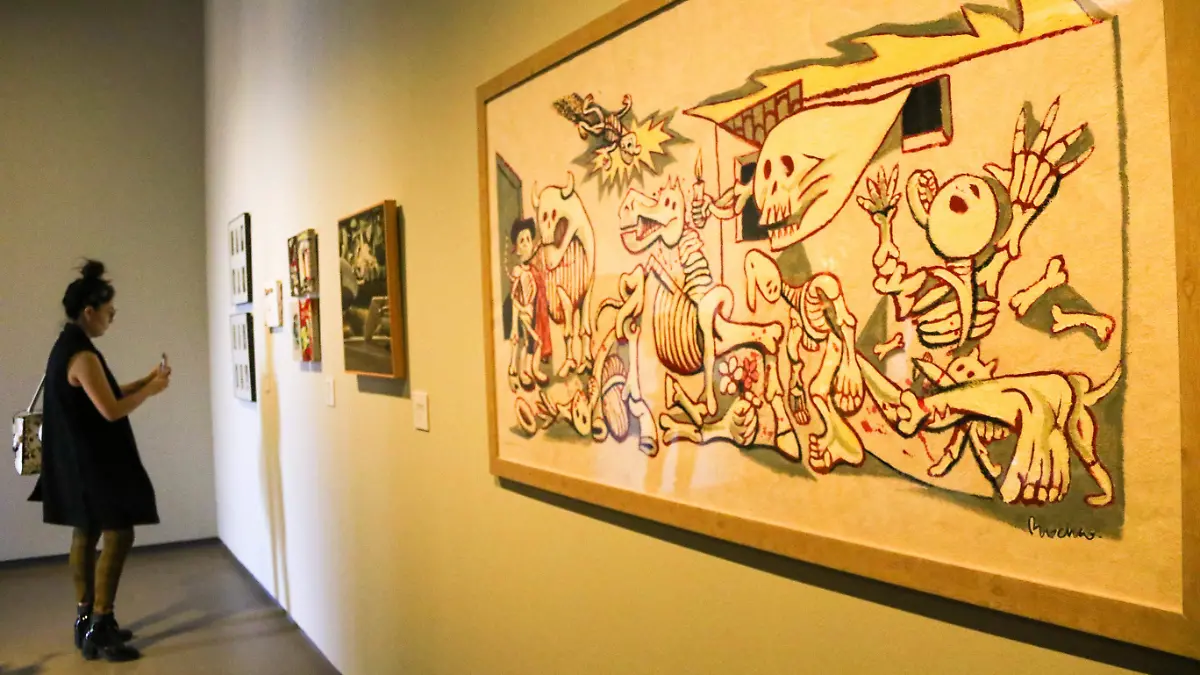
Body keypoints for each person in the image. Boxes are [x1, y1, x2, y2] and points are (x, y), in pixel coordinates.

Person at [28, 259, 171, 662]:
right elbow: (110, 409)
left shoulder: (67, 347)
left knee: (86, 531)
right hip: (92, 462)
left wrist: (145, 380)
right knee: (119, 533)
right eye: (109, 311)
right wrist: (151, 392)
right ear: (89, 312)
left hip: (74, 460)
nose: (112, 317)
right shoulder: (82, 355)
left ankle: (85, 620)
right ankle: (101, 625)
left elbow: (101, 393)